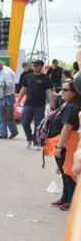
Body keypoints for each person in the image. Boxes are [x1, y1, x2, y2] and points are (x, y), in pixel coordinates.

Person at [47, 79, 80, 211]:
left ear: (74, 92)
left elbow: (67, 127)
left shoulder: (72, 107)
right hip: (63, 141)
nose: (62, 92)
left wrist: (59, 147)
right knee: (64, 171)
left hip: (67, 143)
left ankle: (71, 200)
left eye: (65, 90)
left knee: (68, 172)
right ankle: (65, 197)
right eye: (61, 89)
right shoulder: (68, 104)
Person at [17, 60, 51, 149]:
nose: (34, 66)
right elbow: (23, 89)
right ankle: (29, 138)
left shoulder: (46, 78)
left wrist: (51, 104)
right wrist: (18, 100)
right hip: (28, 104)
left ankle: (36, 143)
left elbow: (48, 92)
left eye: (36, 65)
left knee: (38, 125)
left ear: (41, 66)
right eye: (33, 65)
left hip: (40, 106)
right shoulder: (28, 77)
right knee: (25, 123)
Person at [0, 61, 18, 139]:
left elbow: (10, 84)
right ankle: (3, 134)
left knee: (8, 116)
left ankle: (14, 132)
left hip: (7, 97)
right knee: (0, 116)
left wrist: (0, 84)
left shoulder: (6, 73)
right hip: (0, 97)